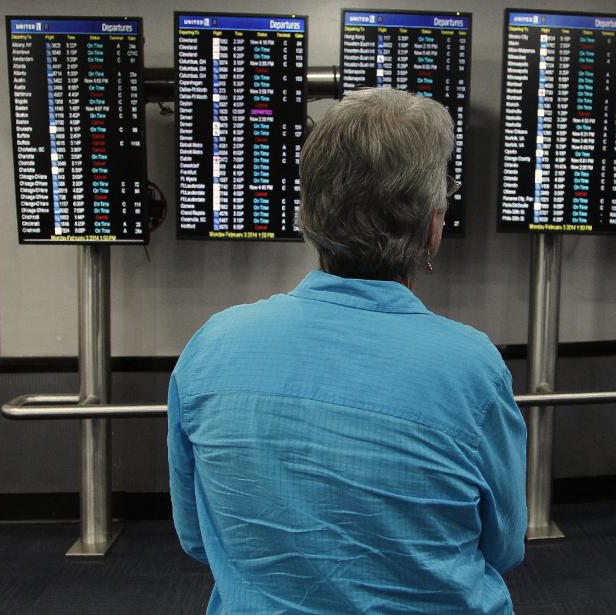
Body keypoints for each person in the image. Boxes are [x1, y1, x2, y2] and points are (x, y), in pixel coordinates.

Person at [168, 88, 527, 614]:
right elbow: (504, 546)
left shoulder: (212, 346)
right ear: (432, 225)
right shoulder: (471, 367)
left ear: (309, 213)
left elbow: (198, 537)